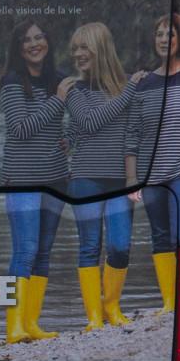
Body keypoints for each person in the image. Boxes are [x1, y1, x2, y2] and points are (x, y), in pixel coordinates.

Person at [63, 23, 147, 330]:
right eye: (75, 49)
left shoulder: (128, 86)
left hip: (120, 180)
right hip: (85, 177)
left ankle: (111, 307)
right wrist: (128, 92)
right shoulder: (74, 90)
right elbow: (88, 122)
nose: (78, 54)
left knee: (120, 246)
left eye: (84, 47)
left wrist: (132, 178)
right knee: (89, 246)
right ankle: (94, 318)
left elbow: (134, 133)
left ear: (101, 48)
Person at [131, 12, 180, 314]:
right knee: (160, 237)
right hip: (151, 176)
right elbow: (133, 134)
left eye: (170, 34)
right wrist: (132, 179)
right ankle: (169, 304)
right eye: (159, 34)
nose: (164, 39)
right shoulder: (144, 84)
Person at [1, 20, 69, 343]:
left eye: (39, 37)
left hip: (56, 178)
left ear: (48, 41)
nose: (34, 44)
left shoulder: (59, 79)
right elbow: (20, 129)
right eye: (26, 39)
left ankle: (31, 324)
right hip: (23, 179)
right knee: (24, 250)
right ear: (18, 47)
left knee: (43, 251)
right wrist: (57, 101)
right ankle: (13, 327)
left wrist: (70, 138)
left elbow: (83, 117)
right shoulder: (12, 81)